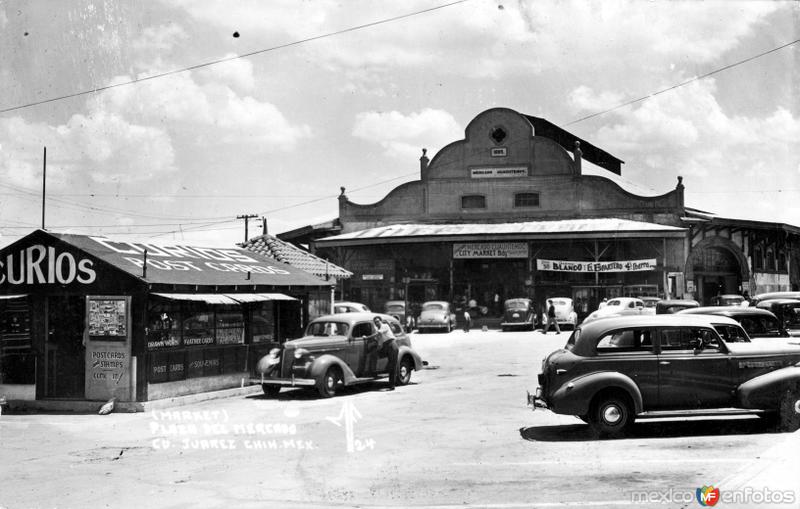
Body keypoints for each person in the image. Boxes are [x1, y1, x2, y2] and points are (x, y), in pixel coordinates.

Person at [372, 316, 399, 390]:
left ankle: (392, 385)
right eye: (375, 322)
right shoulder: (378, 329)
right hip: (386, 346)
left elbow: (378, 333)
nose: (377, 323)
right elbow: (378, 340)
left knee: (392, 366)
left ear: (381, 321)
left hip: (392, 345)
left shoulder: (385, 326)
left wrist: (368, 337)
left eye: (378, 321)